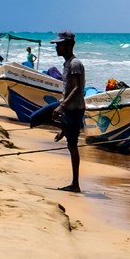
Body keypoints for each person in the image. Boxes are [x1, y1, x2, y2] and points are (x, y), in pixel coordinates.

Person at [49, 31, 85, 192]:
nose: (57, 47)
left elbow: (78, 88)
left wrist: (61, 107)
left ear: (69, 45)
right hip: (68, 108)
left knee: (72, 145)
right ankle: (64, 129)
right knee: (37, 118)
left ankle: (75, 184)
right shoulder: (66, 64)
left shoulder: (75, 64)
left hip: (75, 109)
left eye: (59, 44)